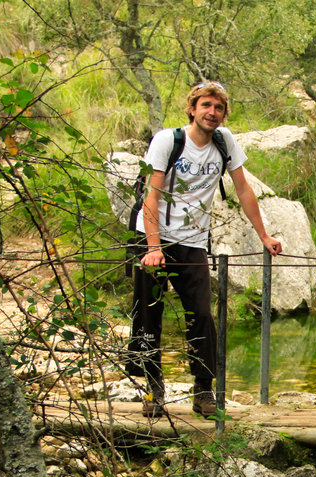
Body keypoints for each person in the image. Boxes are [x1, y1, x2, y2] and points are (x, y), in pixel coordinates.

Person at [132, 81, 282, 418]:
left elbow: (243, 189)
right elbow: (151, 196)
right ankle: (153, 389)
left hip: (193, 240)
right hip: (152, 236)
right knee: (148, 314)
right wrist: (154, 247)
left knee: (201, 314)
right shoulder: (167, 142)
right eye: (206, 106)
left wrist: (264, 236)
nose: (212, 113)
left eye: (218, 108)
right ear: (192, 108)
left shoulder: (224, 142)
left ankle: (203, 391)